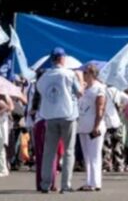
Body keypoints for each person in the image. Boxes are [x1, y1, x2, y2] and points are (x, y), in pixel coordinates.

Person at [35, 49, 81, 193]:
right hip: (68, 115)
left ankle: (45, 184)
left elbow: (41, 91)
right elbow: (79, 92)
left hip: (50, 115)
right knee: (68, 151)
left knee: (49, 151)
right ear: (62, 58)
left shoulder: (44, 76)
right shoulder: (69, 74)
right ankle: (66, 185)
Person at [76, 64, 107, 191]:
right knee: (87, 155)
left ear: (92, 74)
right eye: (84, 73)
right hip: (83, 125)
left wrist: (96, 125)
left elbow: (100, 109)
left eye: (86, 73)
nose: (84, 75)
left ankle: (95, 183)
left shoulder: (99, 88)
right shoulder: (84, 88)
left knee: (94, 155)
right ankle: (89, 181)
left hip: (94, 126)